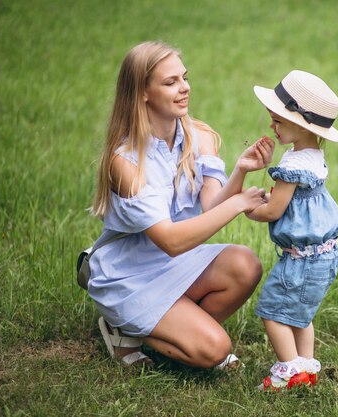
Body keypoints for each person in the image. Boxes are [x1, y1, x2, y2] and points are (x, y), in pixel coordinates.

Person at [87, 40, 275, 368]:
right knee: (215, 349)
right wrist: (238, 204)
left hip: (174, 266)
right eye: (170, 82)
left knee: (245, 264)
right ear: (142, 92)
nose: (184, 88)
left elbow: (212, 203)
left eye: (184, 78)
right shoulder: (126, 162)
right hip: (129, 275)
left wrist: (241, 172)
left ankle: (169, 330)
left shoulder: (198, 135)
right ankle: (124, 327)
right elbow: (172, 241)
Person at [246, 70, 338, 390]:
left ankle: (288, 372)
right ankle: (306, 370)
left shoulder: (290, 167)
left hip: (300, 260)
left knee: (273, 313)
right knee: (301, 313)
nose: (271, 127)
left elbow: (275, 210)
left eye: (277, 121)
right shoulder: (313, 155)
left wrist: (247, 207)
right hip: (324, 254)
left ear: (301, 124)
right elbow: (294, 202)